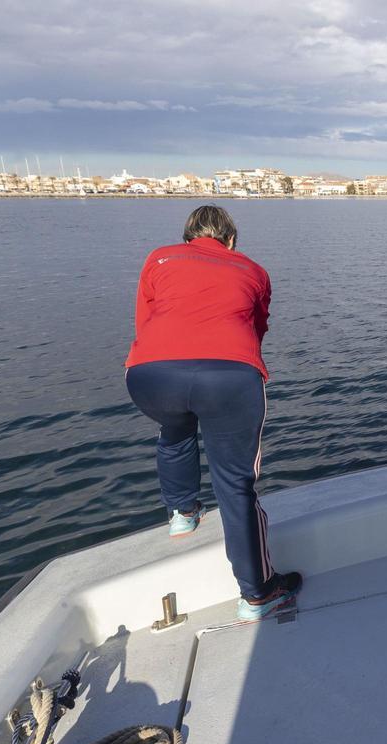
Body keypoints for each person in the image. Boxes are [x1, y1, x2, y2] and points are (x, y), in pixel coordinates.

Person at [125, 205, 301, 621]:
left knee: (174, 430)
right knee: (235, 485)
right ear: (232, 239)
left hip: (151, 375)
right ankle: (258, 594)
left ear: (187, 237)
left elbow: (145, 320)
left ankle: (182, 514)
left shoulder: (159, 257)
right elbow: (256, 330)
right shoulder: (253, 271)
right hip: (228, 377)